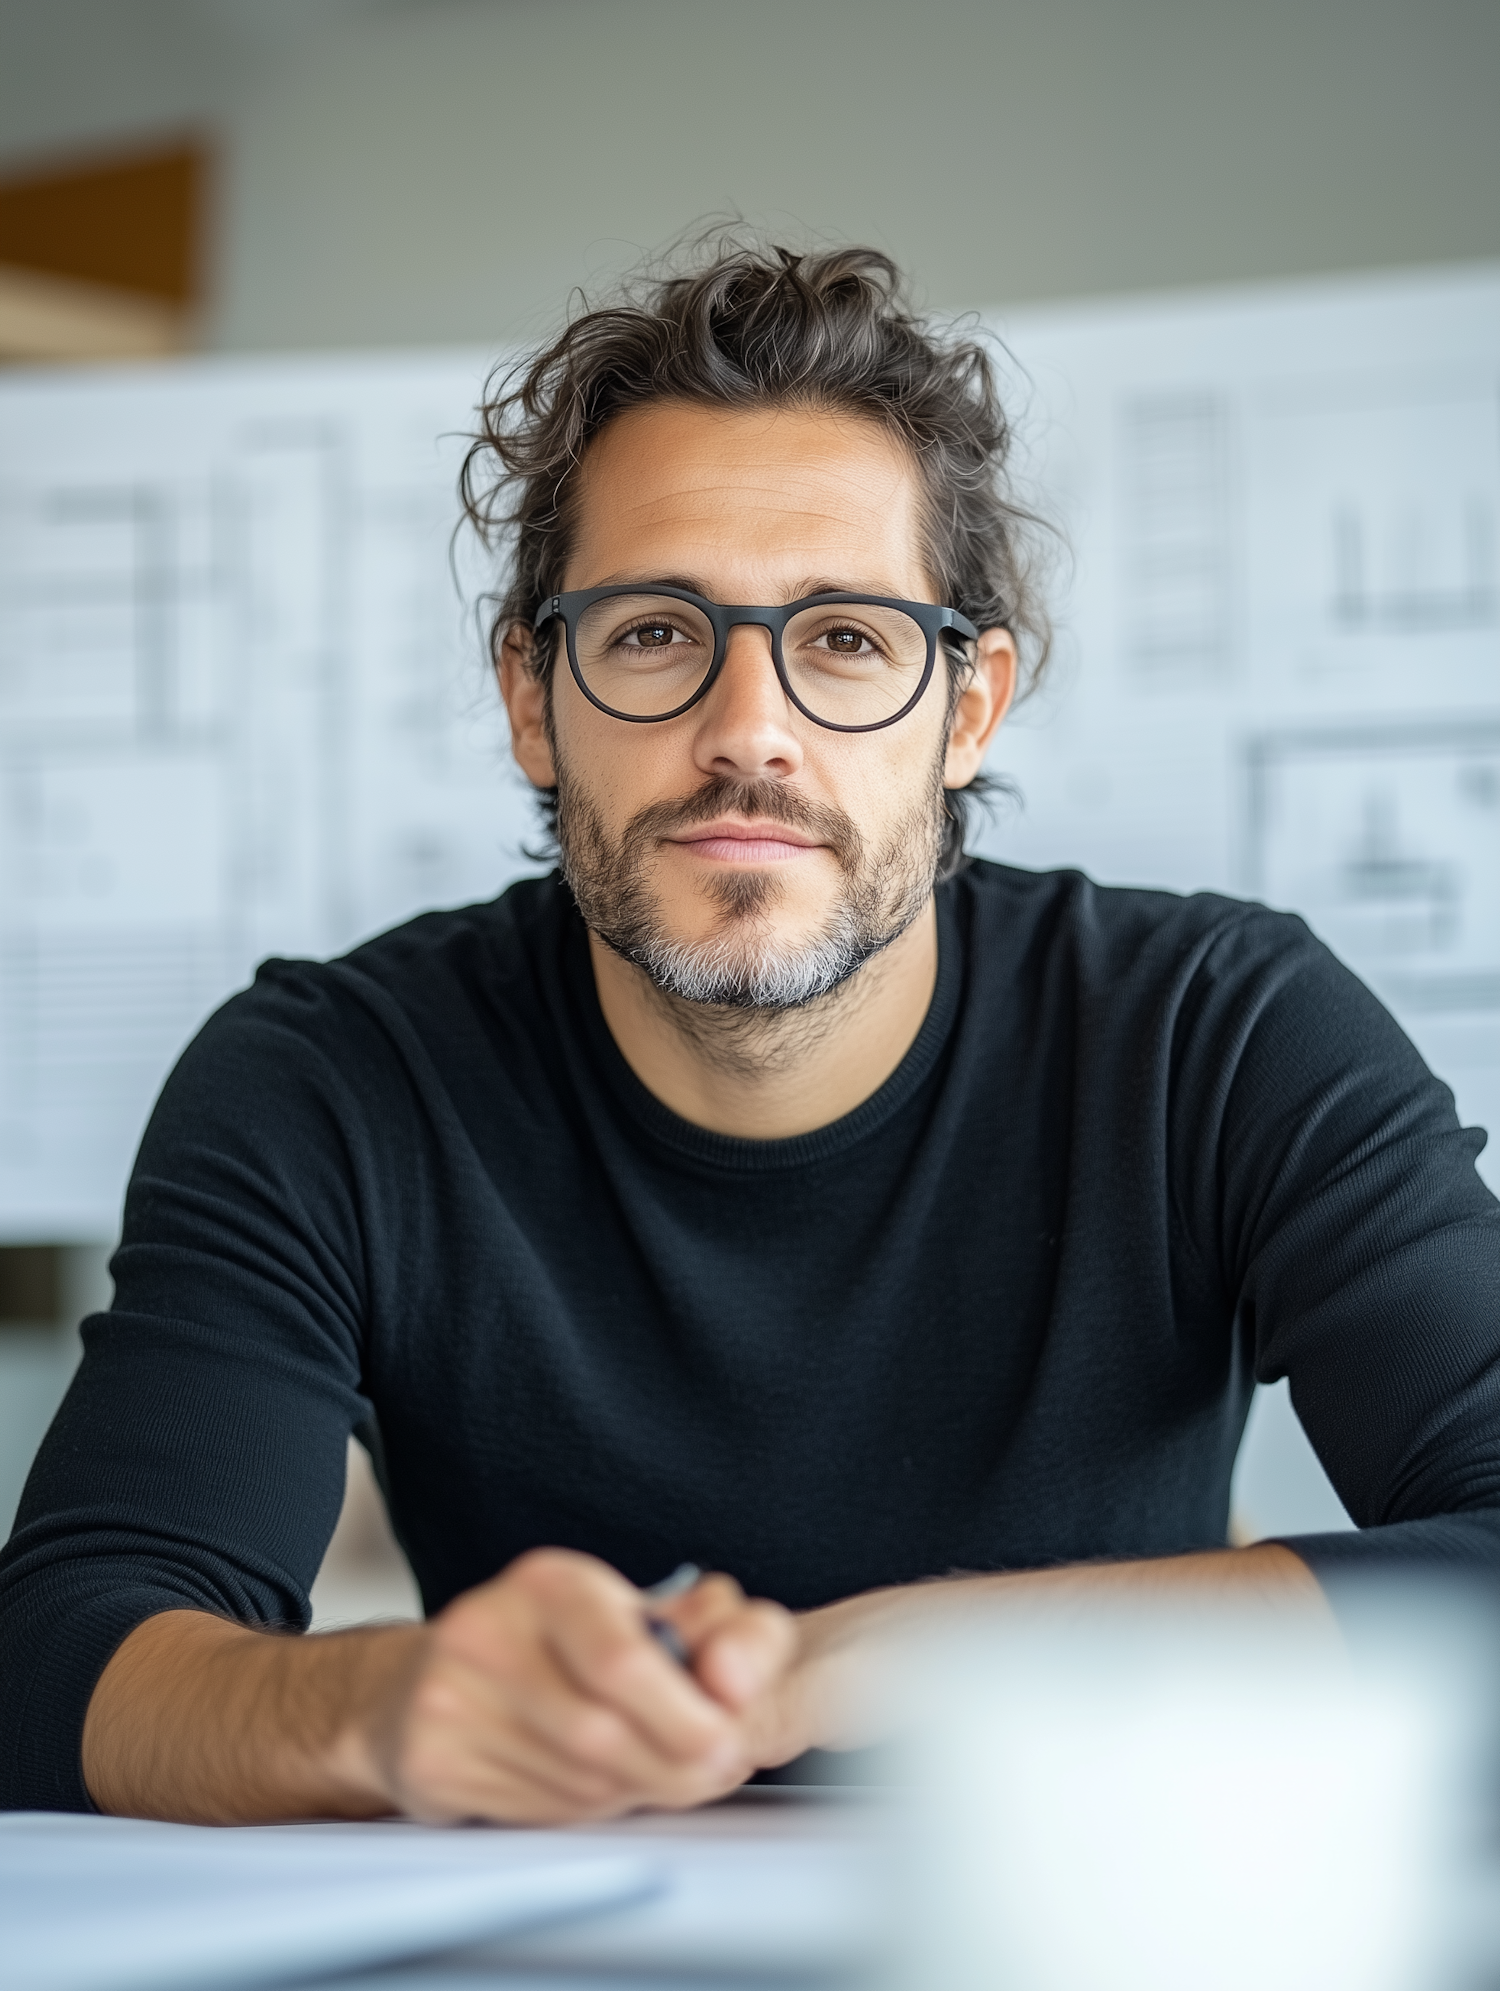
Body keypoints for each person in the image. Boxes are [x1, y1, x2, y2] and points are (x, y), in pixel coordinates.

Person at [2, 241, 1497, 1826]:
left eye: (846, 637)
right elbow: (56, 1655)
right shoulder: (333, 1079)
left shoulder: (1219, 1033)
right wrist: (374, 1702)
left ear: (969, 707)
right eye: (654, 631)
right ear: (533, 697)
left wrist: (837, 1666)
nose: (749, 731)